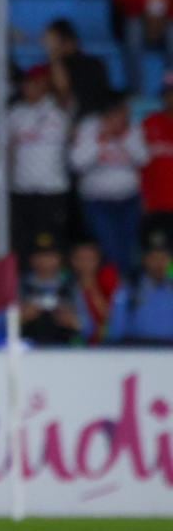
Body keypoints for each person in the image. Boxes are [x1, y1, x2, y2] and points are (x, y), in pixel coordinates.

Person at [70, 98, 149, 273]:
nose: (117, 118)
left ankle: (125, 289)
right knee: (108, 247)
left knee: (128, 248)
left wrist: (124, 137)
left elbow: (143, 158)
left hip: (128, 200)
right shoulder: (89, 127)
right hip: (98, 201)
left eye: (121, 114)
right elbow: (77, 163)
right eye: (113, 114)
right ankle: (112, 289)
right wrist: (102, 139)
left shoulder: (132, 128)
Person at [9, 65, 71, 260]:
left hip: (52, 189)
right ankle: (27, 283)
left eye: (35, 84)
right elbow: (7, 150)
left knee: (51, 242)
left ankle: (55, 285)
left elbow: (64, 90)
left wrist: (54, 54)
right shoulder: (14, 113)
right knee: (24, 242)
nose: (29, 88)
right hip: (22, 189)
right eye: (27, 84)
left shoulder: (58, 110)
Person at [108, 228, 173, 345]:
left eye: (163, 258)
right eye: (154, 258)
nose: (159, 263)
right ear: (145, 260)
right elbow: (116, 329)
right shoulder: (130, 288)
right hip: (138, 351)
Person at [18, 232, 81, 346]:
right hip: (28, 347)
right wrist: (21, 318)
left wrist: (73, 321)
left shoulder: (72, 285)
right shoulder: (20, 285)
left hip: (65, 348)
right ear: (32, 259)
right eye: (40, 256)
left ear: (59, 258)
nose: (45, 261)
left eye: (50, 256)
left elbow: (90, 325)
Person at [44, 19, 111, 120]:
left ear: (67, 40)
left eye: (52, 41)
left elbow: (64, 92)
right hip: (67, 119)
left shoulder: (93, 65)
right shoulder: (54, 65)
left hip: (91, 121)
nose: (48, 45)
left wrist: (54, 55)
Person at [143, 74, 173, 237]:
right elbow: (139, 165)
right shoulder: (150, 123)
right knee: (158, 255)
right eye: (169, 93)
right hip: (156, 204)